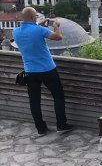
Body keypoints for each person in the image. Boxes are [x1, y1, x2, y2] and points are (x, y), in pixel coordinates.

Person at [12, 7, 72, 135]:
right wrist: (56, 26)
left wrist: (39, 23)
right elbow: (58, 37)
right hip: (47, 69)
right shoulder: (39, 30)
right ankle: (61, 125)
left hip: (30, 72)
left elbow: (30, 29)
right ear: (33, 18)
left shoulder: (15, 32)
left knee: (34, 101)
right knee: (58, 96)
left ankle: (41, 128)